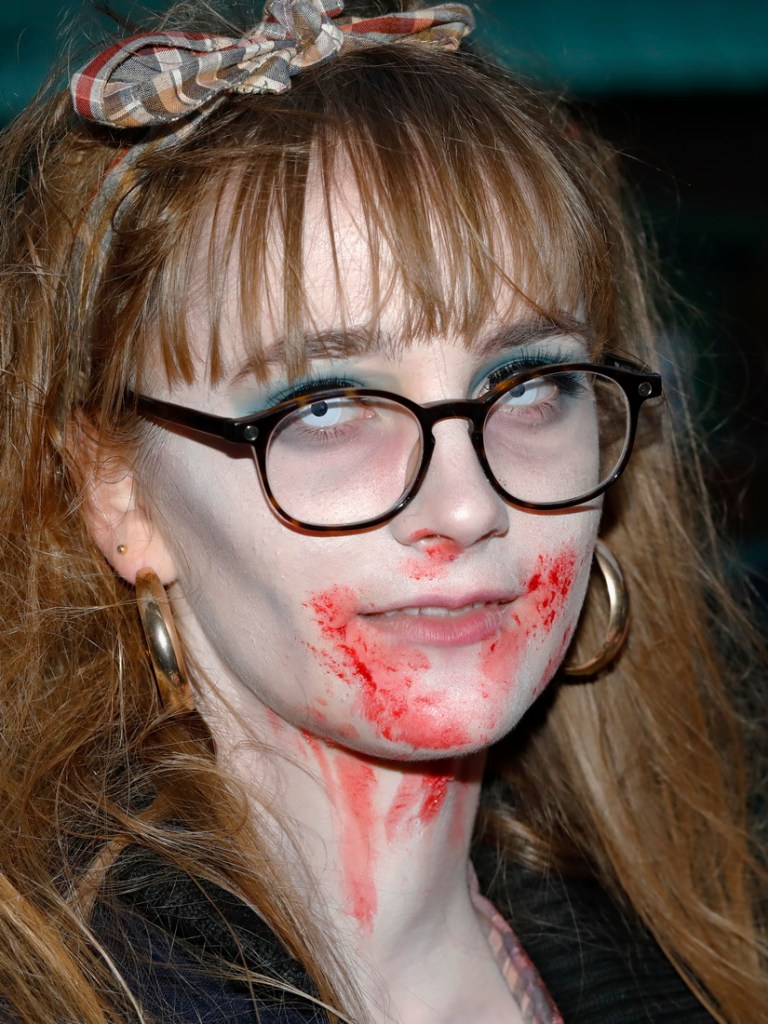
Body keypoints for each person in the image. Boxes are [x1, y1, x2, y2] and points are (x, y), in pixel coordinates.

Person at [0, 1, 765, 1021]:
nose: (469, 503)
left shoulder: (689, 951)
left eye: (529, 383)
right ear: (118, 492)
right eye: (324, 405)